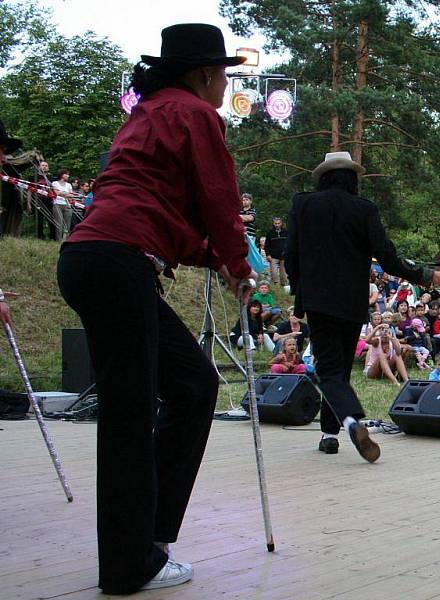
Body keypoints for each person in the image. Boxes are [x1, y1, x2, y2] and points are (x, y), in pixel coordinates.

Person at [55, 24, 255, 594]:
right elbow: (219, 199)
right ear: (202, 75)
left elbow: (150, 206)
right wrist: (237, 264)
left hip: (97, 256)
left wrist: (210, 258)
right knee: (128, 414)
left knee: (193, 384)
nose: (224, 86)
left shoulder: (146, 114)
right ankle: (126, 565)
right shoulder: (195, 115)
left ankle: (152, 537)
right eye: (222, 75)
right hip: (118, 261)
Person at [284, 151, 440, 461]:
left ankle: (350, 421)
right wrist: (429, 276)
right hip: (353, 301)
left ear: (323, 177)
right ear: (352, 179)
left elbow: (290, 255)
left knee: (328, 370)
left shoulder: (302, 205)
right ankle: (329, 435)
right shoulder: (364, 209)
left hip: (318, 300)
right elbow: (389, 258)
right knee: (339, 368)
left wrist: (300, 294)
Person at [265, 215, 289, 287]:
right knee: (274, 274)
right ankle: (276, 288)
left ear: (281, 223)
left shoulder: (286, 232)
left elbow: (290, 243)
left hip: (284, 256)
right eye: (276, 223)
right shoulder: (270, 233)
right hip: (273, 256)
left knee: (284, 275)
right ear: (273, 223)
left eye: (279, 223)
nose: (277, 225)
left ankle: (285, 289)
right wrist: (268, 255)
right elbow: (267, 245)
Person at [51, 168, 74, 241]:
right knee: (59, 223)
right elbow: (57, 193)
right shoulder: (55, 183)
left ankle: (65, 240)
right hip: (57, 204)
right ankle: (58, 240)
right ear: (62, 175)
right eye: (66, 174)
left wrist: (62, 193)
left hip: (67, 205)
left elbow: (71, 195)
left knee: (67, 224)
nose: (68, 176)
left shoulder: (69, 185)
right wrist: (66, 193)